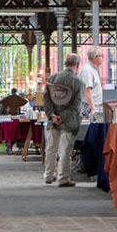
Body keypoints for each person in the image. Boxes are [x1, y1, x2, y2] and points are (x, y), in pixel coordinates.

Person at [43, 53, 86, 187]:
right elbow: (76, 105)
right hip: (69, 122)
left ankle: (48, 175)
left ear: (66, 63)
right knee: (65, 151)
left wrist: (52, 115)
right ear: (77, 65)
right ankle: (63, 178)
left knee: (51, 149)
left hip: (53, 121)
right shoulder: (79, 82)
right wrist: (63, 117)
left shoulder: (52, 78)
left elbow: (46, 99)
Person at [78, 48, 105, 122]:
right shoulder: (88, 70)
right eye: (101, 56)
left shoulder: (93, 69)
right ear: (95, 58)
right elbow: (87, 91)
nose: (103, 58)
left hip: (92, 106)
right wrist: (93, 108)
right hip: (88, 107)